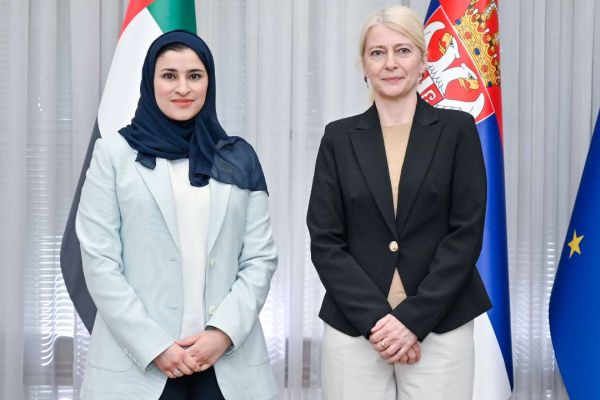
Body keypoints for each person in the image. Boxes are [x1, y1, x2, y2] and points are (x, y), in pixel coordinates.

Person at [75, 30, 278, 400]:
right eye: (169, 75)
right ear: (150, 81)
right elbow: (99, 261)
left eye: (194, 76)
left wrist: (222, 333)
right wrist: (154, 345)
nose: (183, 88)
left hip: (227, 363)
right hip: (138, 366)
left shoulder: (238, 157)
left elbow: (260, 259)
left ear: (209, 83)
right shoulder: (114, 156)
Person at [307, 6, 491, 400]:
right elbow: (325, 240)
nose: (390, 63)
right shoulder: (338, 138)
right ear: (363, 65)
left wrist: (411, 320)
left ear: (423, 61)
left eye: (403, 51)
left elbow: (466, 233)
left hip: (441, 326)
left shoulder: (457, 130)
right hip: (354, 328)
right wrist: (379, 322)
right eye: (377, 53)